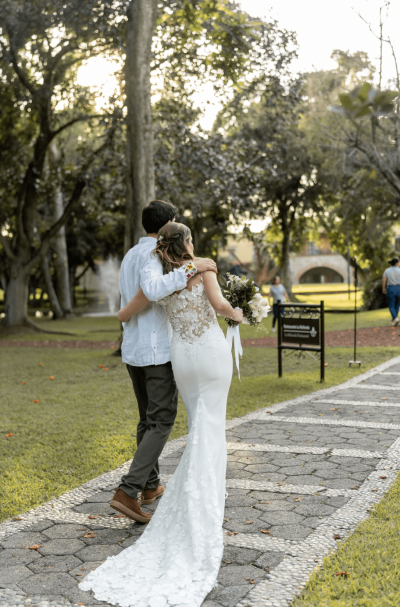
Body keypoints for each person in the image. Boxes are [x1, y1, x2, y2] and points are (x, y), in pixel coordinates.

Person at [81, 221, 243, 606]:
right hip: (208, 354)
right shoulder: (203, 269)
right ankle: (203, 500)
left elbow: (129, 310)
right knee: (210, 428)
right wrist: (240, 313)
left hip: (183, 363)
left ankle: (183, 492)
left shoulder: (162, 278)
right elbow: (220, 307)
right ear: (186, 242)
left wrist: (122, 315)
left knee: (198, 425)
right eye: (190, 237)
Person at [105, 200, 217, 525]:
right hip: (156, 352)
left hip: (134, 350)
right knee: (162, 419)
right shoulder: (156, 253)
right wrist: (191, 268)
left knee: (147, 420)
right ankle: (128, 491)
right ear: (169, 225)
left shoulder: (130, 254)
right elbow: (152, 291)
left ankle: (151, 486)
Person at [382, 257, 400, 326]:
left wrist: (383, 288)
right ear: (396, 263)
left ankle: (395, 318)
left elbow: (384, 280)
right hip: (398, 288)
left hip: (391, 288)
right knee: (397, 305)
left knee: (391, 305)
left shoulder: (387, 270)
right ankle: (394, 320)